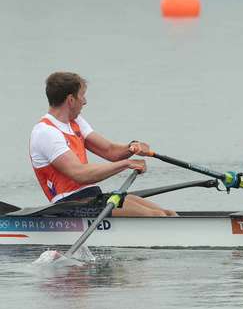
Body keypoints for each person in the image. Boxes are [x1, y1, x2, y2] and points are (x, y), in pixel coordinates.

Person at [29, 72, 175, 217]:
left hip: (92, 198)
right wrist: (126, 164)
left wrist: (132, 147)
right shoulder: (46, 132)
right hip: (69, 205)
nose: (85, 101)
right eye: (82, 96)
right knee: (156, 216)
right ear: (71, 100)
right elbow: (80, 174)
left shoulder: (75, 122)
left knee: (167, 213)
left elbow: (110, 151)